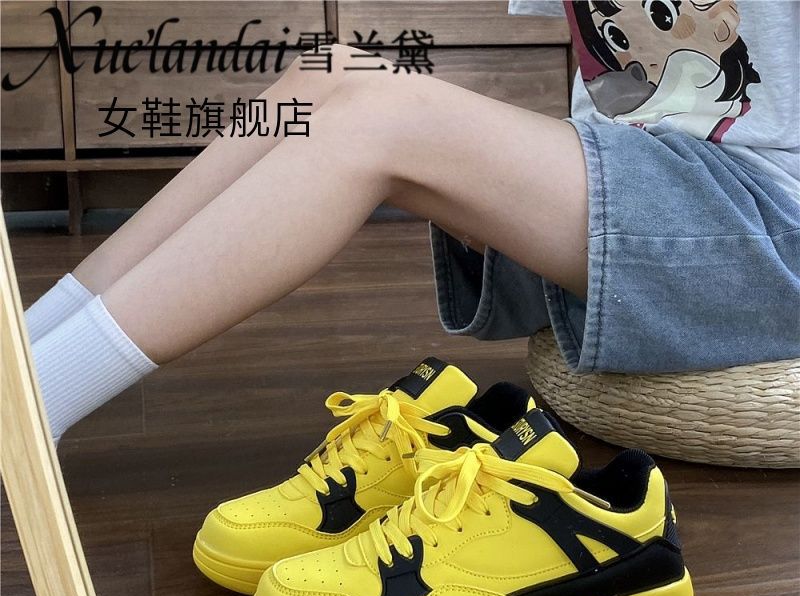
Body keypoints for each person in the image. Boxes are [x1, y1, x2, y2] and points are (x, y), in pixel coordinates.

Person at [22, 0, 800, 447]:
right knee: (327, 71)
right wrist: (520, 182)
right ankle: (25, 350)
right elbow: (609, 82)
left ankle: (28, 413)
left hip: (768, 215)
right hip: (651, 176)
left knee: (383, 120)